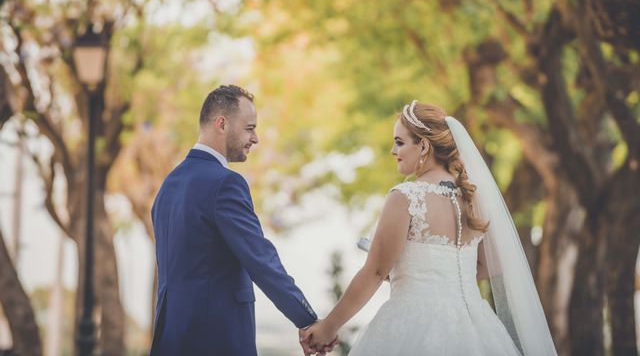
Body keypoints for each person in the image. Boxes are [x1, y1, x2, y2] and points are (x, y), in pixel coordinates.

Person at [301, 101, 557, 356]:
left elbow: (376, 272)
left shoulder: (405, 197)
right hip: (476, 328)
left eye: (399, 142)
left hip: (412, 325)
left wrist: (328, 326)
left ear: (423, 145)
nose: (393, 150)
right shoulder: (474, 198)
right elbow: (494, 264)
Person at [150, 85, 330, 355]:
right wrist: (308, 320)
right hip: (216, 339)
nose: (255, 138)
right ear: (221, 124)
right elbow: (261, 260)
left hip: (170, 339)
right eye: (249, 128)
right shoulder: (225, 184)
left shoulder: (169, 184)